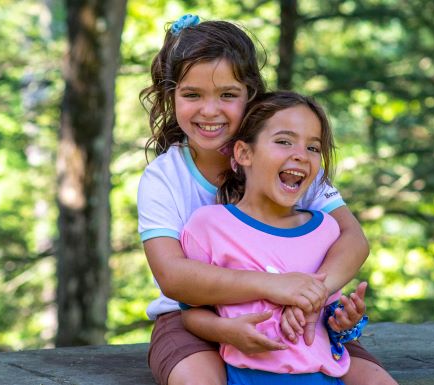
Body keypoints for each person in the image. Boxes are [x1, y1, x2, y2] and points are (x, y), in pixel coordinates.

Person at [137, 14, 398, 385]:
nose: (210, 111)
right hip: (193, 321)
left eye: (228, 95)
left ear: (251, 96)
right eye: (192, 95)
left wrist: (309, 296)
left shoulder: (289, 161)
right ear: (171, 97)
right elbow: (174, 278)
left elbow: (353, 239)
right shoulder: (164, 177)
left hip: (300, 319)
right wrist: (274, 286)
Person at [180, 91, 368, 385]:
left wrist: (345, 322)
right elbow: (191, 315)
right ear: (244, 154)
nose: (300, 155)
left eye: (313, 147)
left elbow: (327, 322)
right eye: (284, 141)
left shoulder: (327, 231)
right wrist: (224, 330)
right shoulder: (209, 226)